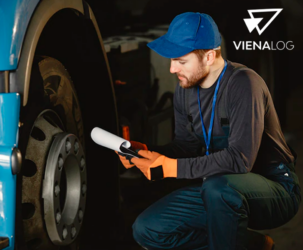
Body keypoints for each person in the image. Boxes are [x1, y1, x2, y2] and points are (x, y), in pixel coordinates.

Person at [116, 12, 301, 250]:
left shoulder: (244, 84)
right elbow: (185, 146)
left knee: (217, 189)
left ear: (210, 56)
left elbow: (240, 160)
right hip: (219, 190)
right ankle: (251, 245)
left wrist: (171, 167)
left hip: (274, 188)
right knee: (148, 229)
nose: (172, 69)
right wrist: (147, 152)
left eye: (181, 61)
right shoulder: (185, 88)